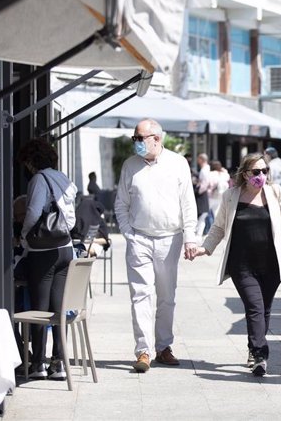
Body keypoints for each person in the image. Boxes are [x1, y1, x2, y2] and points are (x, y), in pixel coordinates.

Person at [189, 153, 281, 376]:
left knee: (265, 310)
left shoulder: (275, 193)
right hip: (241, 264)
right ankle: (261, 355)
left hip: (272, 263)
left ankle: (254, 348)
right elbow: (219, 228)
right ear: (244, 174)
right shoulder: (231, 196)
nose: (261, 176)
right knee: (255, 307)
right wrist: (206, 248)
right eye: (256, 172)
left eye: (264, 171)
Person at [114, 118, 198, 373]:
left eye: (140, 138)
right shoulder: (130, 165)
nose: (136, 143)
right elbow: (121, 204)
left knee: (166, 297)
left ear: (156, 139)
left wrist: (190, 237)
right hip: (139, 238)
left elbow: (188, 204)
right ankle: (144, 350)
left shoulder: (177, 163)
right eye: (135, 139)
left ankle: (163, 347)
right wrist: (129, 234)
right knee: (140, 295)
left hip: (169, 239)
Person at [18, 138, 77, 381]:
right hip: (64, 248)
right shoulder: (63, 178)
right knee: (58, 308)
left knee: (39, 309)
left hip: (42, 252)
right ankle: (58, 363)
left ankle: (38, 364)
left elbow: (33, 211)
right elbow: (70, 216)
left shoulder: (39, 179)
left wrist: (23, 236)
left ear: (31, 161)